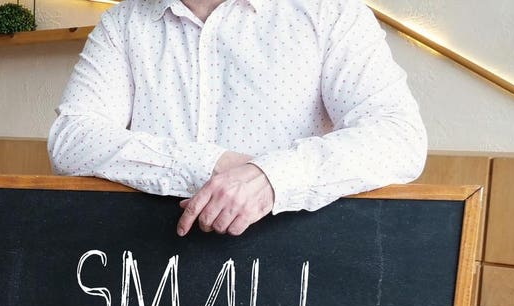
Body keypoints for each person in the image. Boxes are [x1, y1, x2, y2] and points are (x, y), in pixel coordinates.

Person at [47, 0, 427, 237]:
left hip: (293, 282)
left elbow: (399, 137)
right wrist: (211, 165)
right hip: (147, 280)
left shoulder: (331, 13)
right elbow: (71, 139)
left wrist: (271, 177)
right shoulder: (122, 23)